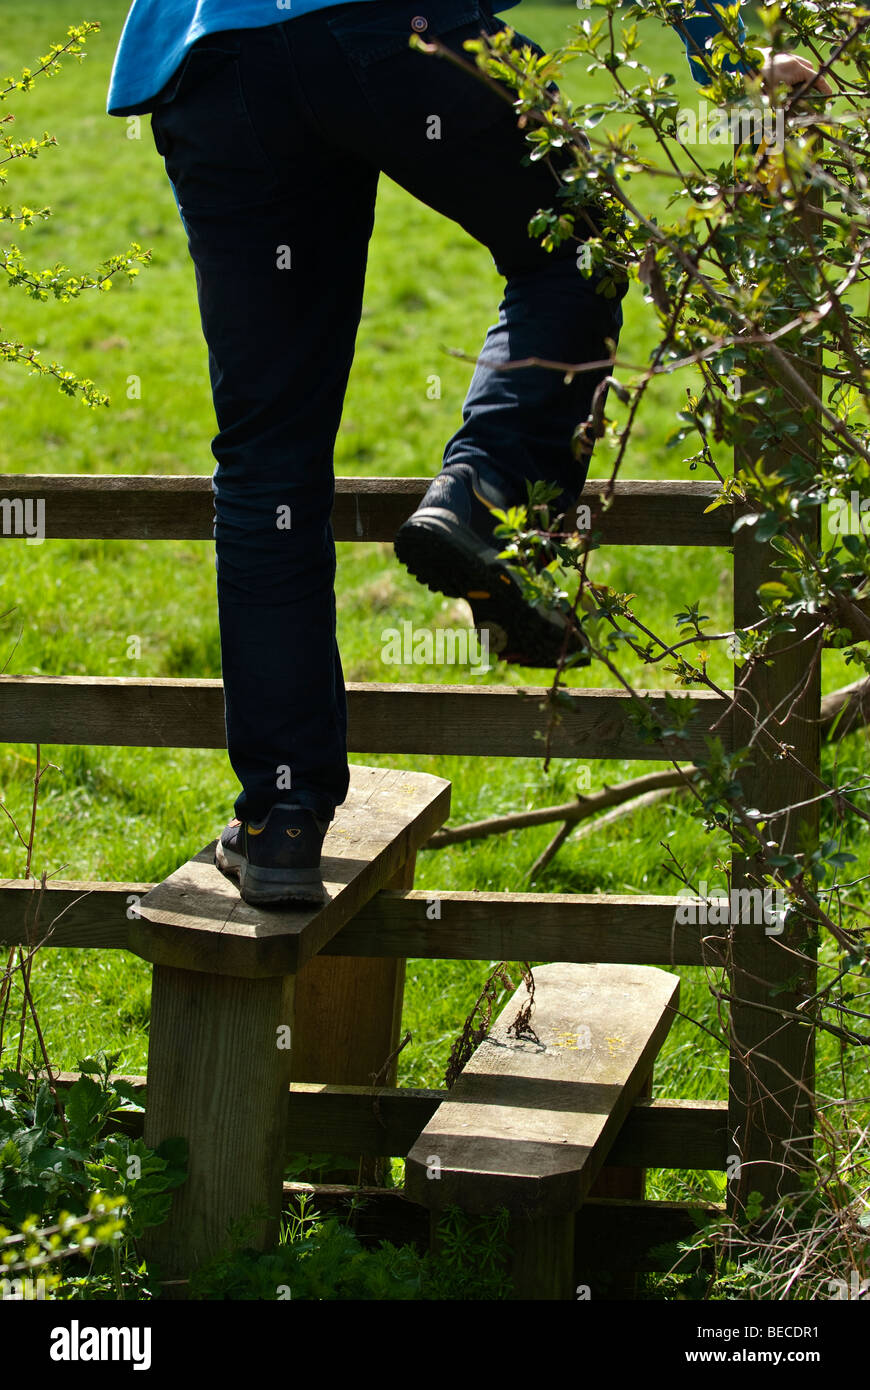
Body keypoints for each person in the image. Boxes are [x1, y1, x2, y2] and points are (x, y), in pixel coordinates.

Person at [107, 1, 829, 906]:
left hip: (218, 66)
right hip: (387, 32)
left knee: (265, 461)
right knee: (579, 246)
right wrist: (732, 62)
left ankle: (279, 826)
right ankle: (482, 495)